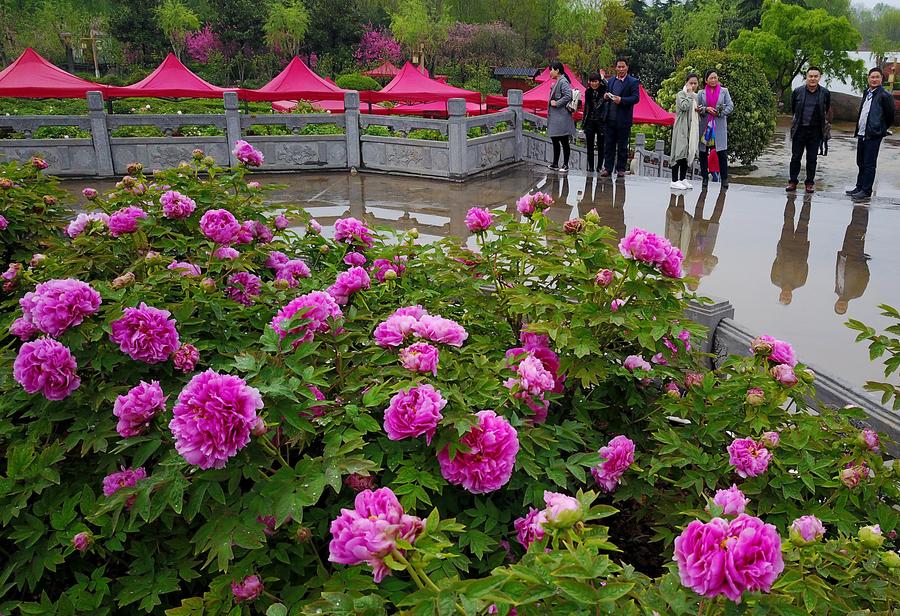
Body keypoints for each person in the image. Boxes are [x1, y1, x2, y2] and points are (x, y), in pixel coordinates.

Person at [847, 67, 896, 200]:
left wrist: (881, 128)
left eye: (877, 77)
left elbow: (890, 115)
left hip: (874, 134)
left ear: (881, 79)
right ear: (868, 79)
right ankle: (859, 186)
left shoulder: (885, 95)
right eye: (872, 77)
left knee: (869, 163)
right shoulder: (867, 93)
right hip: (862, 132)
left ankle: (866, 190)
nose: (874, 79)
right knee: (860, 162)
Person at [787, 66, 831, 194]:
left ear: (819, 77)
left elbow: (826, 109)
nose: (813, 79)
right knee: (795, 157)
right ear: (806, 77)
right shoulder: (798, 91)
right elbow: (794, 109)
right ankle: (792, 182)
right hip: (799, 129)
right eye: (810, 76)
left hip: (815, 131)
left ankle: (809, 183)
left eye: (815, 76)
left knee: (812, 158)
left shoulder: (825, 93)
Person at [600, 58, 640, 178]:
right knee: (609, 145)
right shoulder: (611, 81)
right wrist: (606, 96)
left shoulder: (632, 82)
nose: (621, 69)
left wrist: (622, 100)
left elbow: (635, 98)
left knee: (622, 146)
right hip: (610, 118)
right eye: (619, 67)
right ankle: (608, 168)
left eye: (623, 67)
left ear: (627, 67)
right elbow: (606, 93)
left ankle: (621, 168)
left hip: (623, 119)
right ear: (615, 68)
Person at [695, 70, 734, 189]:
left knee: (721, 153)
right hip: (706, 126)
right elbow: (697, 107)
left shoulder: (724, 91)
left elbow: (730, 106)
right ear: (706, 80)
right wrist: (706, 109)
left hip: (719, 126)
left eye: (715, 78)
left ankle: (724, 179)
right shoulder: (701, 93)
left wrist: (720, 113)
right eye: (711, 78)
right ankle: (705, 178)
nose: (713, 80)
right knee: (703, 152)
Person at [770, 194, 811, 306]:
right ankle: (807, 202)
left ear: (780, 295)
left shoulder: (775, 280)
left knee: (788, 221)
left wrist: (780, 252)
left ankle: (790, 200)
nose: (786, 295)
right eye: (787, 298)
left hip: (785, 247)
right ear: (791, 297)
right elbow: (806, 266)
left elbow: (775, 263)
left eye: (783, 297)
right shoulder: (800, 282)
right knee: (804, 223)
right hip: (800, 249)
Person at [834, 205, 870, 315]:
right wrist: (862, 262)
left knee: (850, 230)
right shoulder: (857, 293)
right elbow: (865, 277)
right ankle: (863, 209)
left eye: (839, 306)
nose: (841, 305)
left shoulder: (837, 291)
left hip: (845, 256)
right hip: (856, 258)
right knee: (858, 232)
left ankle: (858, 208)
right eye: (842, 307)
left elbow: (839, 274)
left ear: (835, 303)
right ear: (847, 307)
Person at [669, 73, 700, 190]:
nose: (692, 85)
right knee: (679, 152)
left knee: (687, 153)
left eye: (695, 83)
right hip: (681, 127)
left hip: (691, 128)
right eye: (690, 83)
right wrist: (689, 95)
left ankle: (683, 178)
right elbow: (684, 106)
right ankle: (674, 180)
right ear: (686, 83)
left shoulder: (695, 96)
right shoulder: (681, 94)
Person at [547, 60, 576, 173]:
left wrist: (557, 103)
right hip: (556, 118)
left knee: (564, 141)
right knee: (555, 140)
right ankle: (555, 163)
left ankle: (565, 164)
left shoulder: (563, 81)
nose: (550, 72)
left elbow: (568, 96)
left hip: (561, 117)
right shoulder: (558, 81)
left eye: (551, 70)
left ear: (557, 70)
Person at [581, 72, 608, 173]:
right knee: (589, 146)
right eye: (592, 81)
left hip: (601, 120)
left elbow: (608, 85)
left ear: (599, 82)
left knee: (601, 146)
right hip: (590, 120)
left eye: (596, 81)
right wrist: (583, 123)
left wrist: (602, 77)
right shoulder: (588, 92)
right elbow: (586, 109)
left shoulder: (604, 90)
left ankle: (599, 166)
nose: (594, 84)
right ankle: (591, 166)